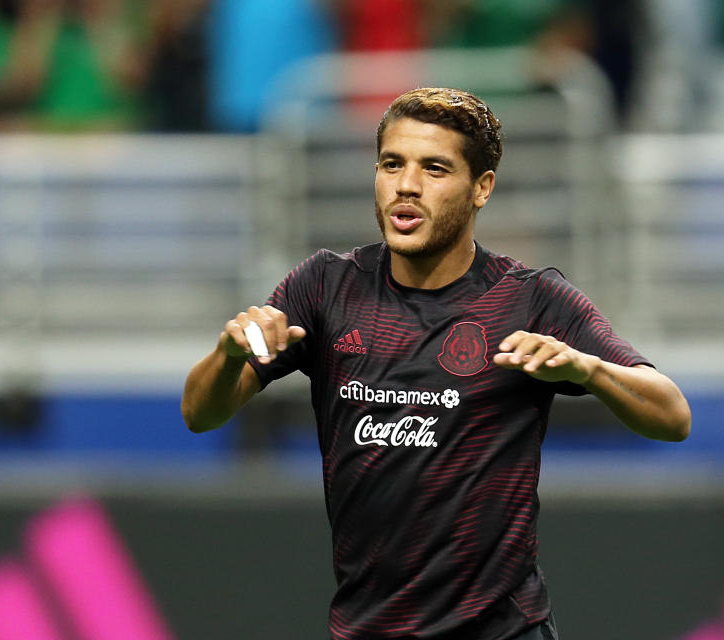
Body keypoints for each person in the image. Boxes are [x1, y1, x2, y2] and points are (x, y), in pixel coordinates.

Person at [182, 87, 691, 640]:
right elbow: (200, 413)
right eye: (391, 164)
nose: (406, 185)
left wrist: (589, 370)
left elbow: (671, 415)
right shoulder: (326, 286)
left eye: (435, 169)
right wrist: (229, 355)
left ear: (481, 188)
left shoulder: (529, 299)